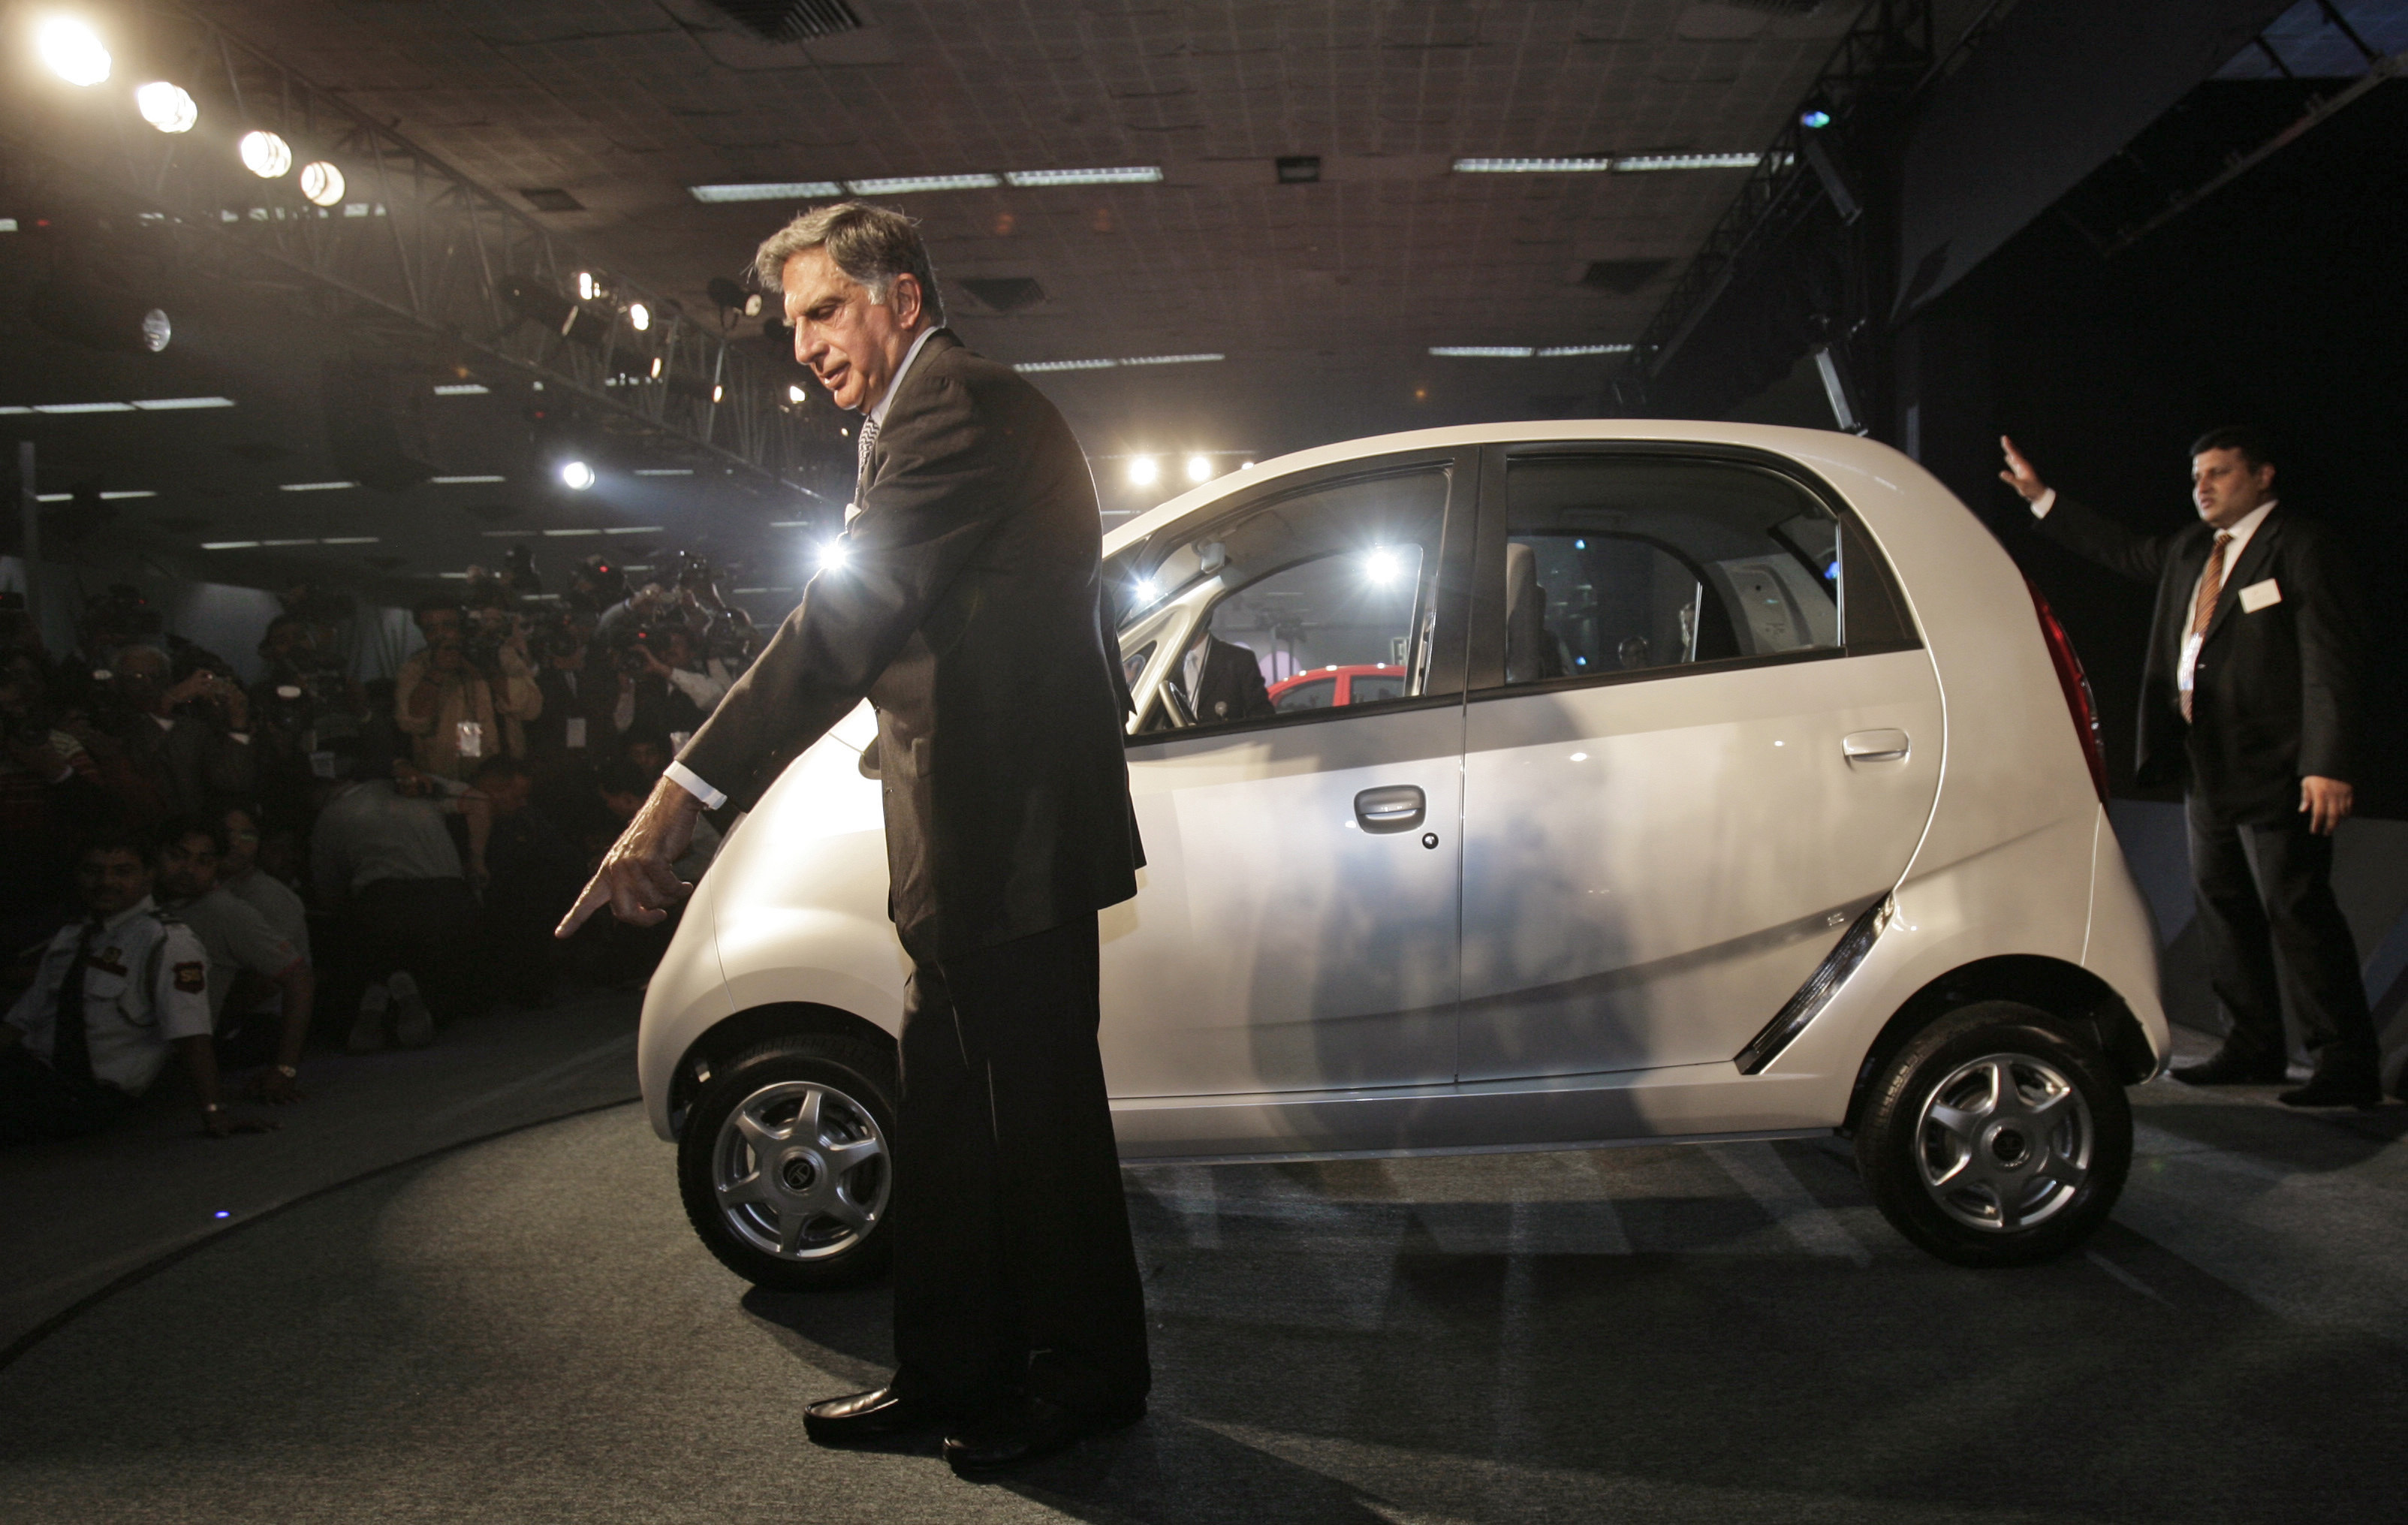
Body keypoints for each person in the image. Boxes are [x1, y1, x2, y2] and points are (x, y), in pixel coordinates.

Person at [559, 201, 1149, 1470]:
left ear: (899, 294)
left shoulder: (960, 406)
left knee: (1031, 1119)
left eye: (825, 309)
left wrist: (683, 791)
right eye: (793, 323)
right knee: (950, 1116)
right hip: (971, 828)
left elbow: (842, 625)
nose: (806, 344)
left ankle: (1084, 1380)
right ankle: (950, 1370)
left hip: (1015, 833)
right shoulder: (914, 419)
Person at [2001, 429, 2382, 1106]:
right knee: (2222, 907)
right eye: (2196, 475)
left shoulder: (2298, 545)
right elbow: (2119, 549)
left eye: (2218, 473)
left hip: (2280, 764)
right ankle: (2252, 1046)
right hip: (2204, 761)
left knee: (2296, 909)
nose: (2202, 486)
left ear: (2262, 476)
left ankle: (2344, 1060)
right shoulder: (2189, 551)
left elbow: (2331, 660)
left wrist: (2327, 763)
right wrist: (2042, 499)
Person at [2, 833, 276, 1143]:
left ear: (149, 876)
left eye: (122, 871)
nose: (105, 882)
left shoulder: (165, 942)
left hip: (84, 1095)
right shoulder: (73, 935)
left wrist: (214, 1111)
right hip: (30, 1073)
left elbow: (191, 1034)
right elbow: (21, 1019)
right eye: (93, 871)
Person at [311, 747, 473, 1050]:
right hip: (451, 898)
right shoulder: (415, 789)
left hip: (387, 901)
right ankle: (405, 997)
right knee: (441, 987)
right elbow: (476, 799)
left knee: (367, 941)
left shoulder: (332, 815)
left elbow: (328, 895)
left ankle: (380, 995)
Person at [155, 815, 314, 1102]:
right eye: (178, 857)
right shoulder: (152, 905)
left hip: (200, 1044)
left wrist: (285, 1069)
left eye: (203, 861)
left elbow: (295, 977)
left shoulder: (225, 910)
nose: (189, 870)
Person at [393, 597, 542, 781]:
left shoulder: (500, 654)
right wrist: (437, 672)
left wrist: (488, 669)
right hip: (445, 779)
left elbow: (531, 708)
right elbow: (411, 722)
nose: (442, 635)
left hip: (503, 775)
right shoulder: (416, 668)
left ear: (463, 625)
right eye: (431, 630)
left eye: (448, 626)